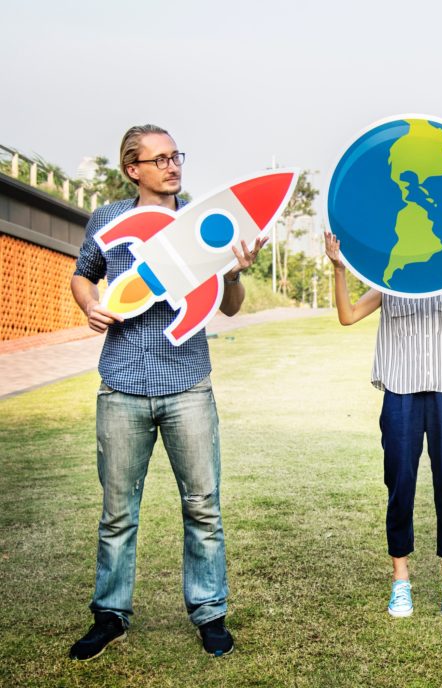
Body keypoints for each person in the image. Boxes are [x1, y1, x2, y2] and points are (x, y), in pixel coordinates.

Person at [68, 124, 264, 661]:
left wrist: (235, 269)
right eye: (159, 159)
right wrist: (89, 305)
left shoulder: (204, 222)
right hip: (123, 386)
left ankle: (209, 613)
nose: (172, 166)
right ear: (133, 169)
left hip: (188, 387)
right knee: (117, 513)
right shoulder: (109, 220)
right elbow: (82, 275)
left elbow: (229, 306)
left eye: (176, 155)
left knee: (203, 507)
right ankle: (110, 615)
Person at [324, 231, 442, 618]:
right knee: (399, 485)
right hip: (400, 393)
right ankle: (400, 580)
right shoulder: (392, 279)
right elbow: (348, 315)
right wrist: (339, 269)